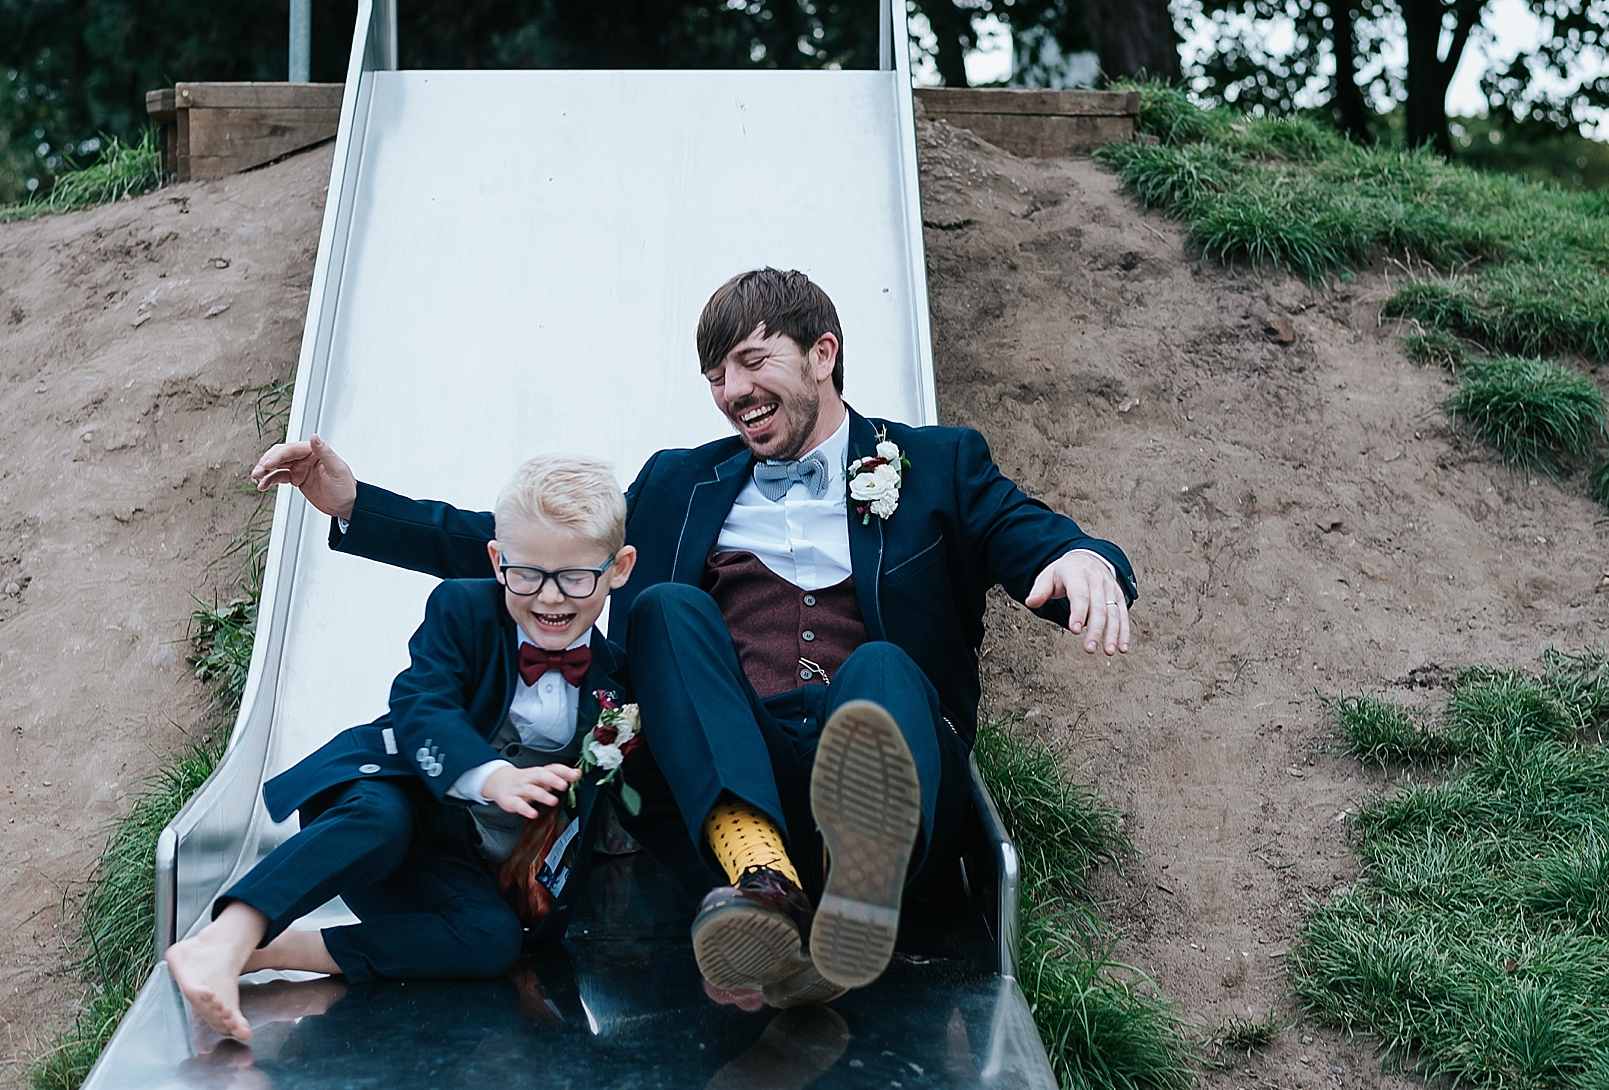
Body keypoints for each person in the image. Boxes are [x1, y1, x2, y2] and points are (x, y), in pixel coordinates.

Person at [251, 268, 1135, 1008]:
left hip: (893, 773)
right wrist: (358, 506)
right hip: (742, 771)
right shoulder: (685, 481)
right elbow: (545, 544)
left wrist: (1083, 559)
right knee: (668, 611)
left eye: (752, 360)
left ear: (823, 353)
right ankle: (765, 884)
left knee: (880, 666)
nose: (732, 391)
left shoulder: (939, 464)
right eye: (716, 373)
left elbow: (1032, 533)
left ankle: (862, 883)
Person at [165, 454, 638, 1041]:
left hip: (450, 858)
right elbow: (423, 710)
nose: (550, 597)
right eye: (528, 574)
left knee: (491, 941)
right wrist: (489, 775)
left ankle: (283, 950)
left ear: (618, 569)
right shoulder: (464, 609)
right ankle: (226, 934)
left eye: (575, 577)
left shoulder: (614, 683)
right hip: (381, 797)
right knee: (381, 821)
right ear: (497, 561)